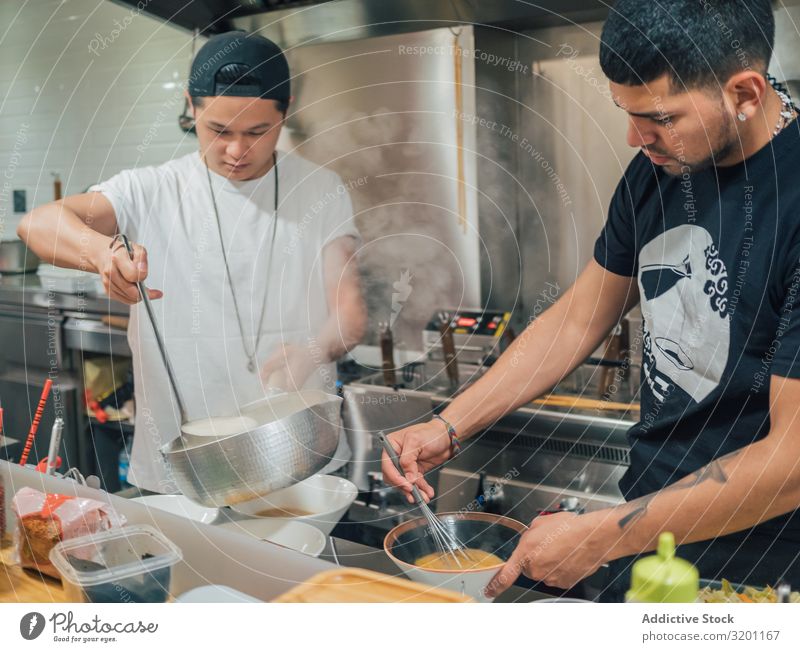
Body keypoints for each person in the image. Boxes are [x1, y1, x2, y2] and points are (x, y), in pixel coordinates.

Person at [382, 0, 800, 601]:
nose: (636, 138)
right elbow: (579, 318)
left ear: (745, 92)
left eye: (660, 117)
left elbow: (790, 461)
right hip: (649, 532)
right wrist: (448, 427)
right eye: (626, 114)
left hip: (763, 567)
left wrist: (600, 536)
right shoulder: (656, 171)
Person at [19, 31, 366, 493]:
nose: (236, 151)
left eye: (257, 132)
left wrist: (316, 348)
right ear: (191, 106)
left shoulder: (322, 189)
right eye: (218, 131)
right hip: (182, 469)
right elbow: (39, 224)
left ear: (287, 110)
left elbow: (350, 312)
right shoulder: (151, 189)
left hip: (298, 456)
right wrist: (103, 254)